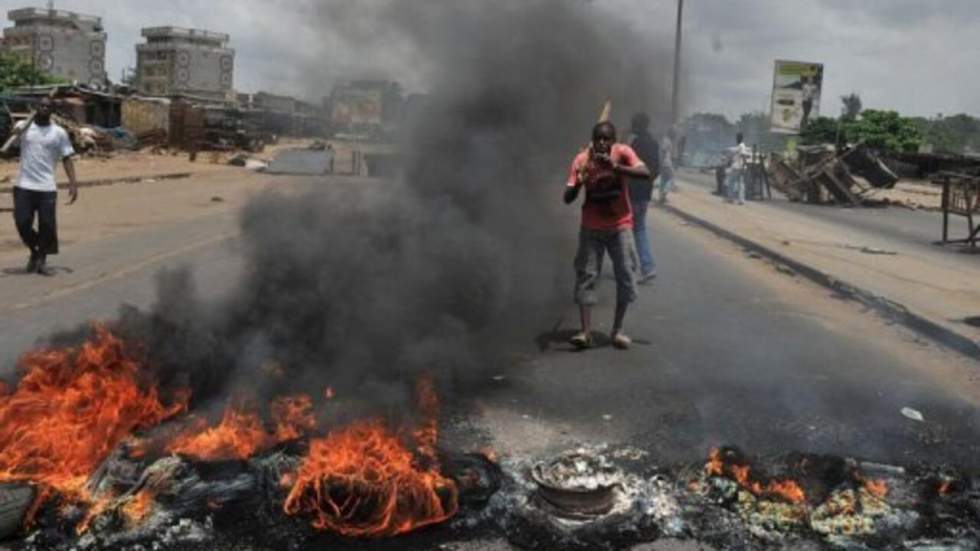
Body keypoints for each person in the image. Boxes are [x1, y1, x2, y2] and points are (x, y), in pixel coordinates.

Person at [564, 121, 650, 350]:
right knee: (587, 276)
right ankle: (585, 332)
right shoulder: (582, 160)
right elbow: (567, 197)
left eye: (607, 139)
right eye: (598, 138)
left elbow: (645, 172)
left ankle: (617, 330)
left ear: (613, 140)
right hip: (591, 227)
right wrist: (579, 183)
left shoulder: (622, 153)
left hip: (620, 225)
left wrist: (616, 168)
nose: (603, 142)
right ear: (593, 140)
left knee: (625, 274)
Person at [9, 97, 78, 275]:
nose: (45, 108)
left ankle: (41, 260)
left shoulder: (59, 133)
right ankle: (35, 249)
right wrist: (14, 132)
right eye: (41, 105)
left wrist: (73, 183)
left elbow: (67, 157)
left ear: (52, 111)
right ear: (36, 108)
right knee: (22, 222)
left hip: (47, 186)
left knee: (47, 225)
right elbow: (12, 141)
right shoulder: (24, 126)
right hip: (23, 184)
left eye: (48, 106)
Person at [627, 112, 659, 283]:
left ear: (637, 125)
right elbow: (657, 169)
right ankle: (647, 267)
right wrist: (647, 182)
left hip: (632, 192)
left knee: (624, 228)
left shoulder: (636, 144)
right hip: (645, 194)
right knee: (639, 229)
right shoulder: (654, 143)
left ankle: (629, 265)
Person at [725, 132, 750, 205]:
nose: (737, 139)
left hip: (737, 167)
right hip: (739, 167)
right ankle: (741, 200)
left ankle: (731, 199)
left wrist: (743, 166)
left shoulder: (741, 146)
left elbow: (743, 156)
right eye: (737, 137)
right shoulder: (740, 146)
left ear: (740, 138)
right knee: (740, 184)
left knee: (731, 183)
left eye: (738, 137)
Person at [657, 126, 676, 205]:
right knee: (671, 178)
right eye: (674, 133)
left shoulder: (666, 140)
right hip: (666, 163)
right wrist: (661, 162)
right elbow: (663, 151)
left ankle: (662, 197)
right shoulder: (667, 141)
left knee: (663, 180)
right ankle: (664, 193)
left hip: (664, 163)